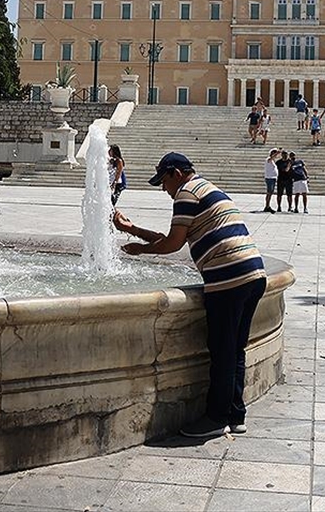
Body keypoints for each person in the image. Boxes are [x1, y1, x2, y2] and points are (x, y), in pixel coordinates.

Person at [113, 152, 266, 439]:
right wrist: (131, 230)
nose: (163, 188)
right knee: (235, 350)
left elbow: (172, 244)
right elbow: (177, 238)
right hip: (253, 273)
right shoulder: (206, 188)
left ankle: (216, 418)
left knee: (222, 350)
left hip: (229, 277)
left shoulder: (186, 193)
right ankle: (236, 414)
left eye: (163, 181)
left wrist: (140, 250)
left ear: (176, 173)